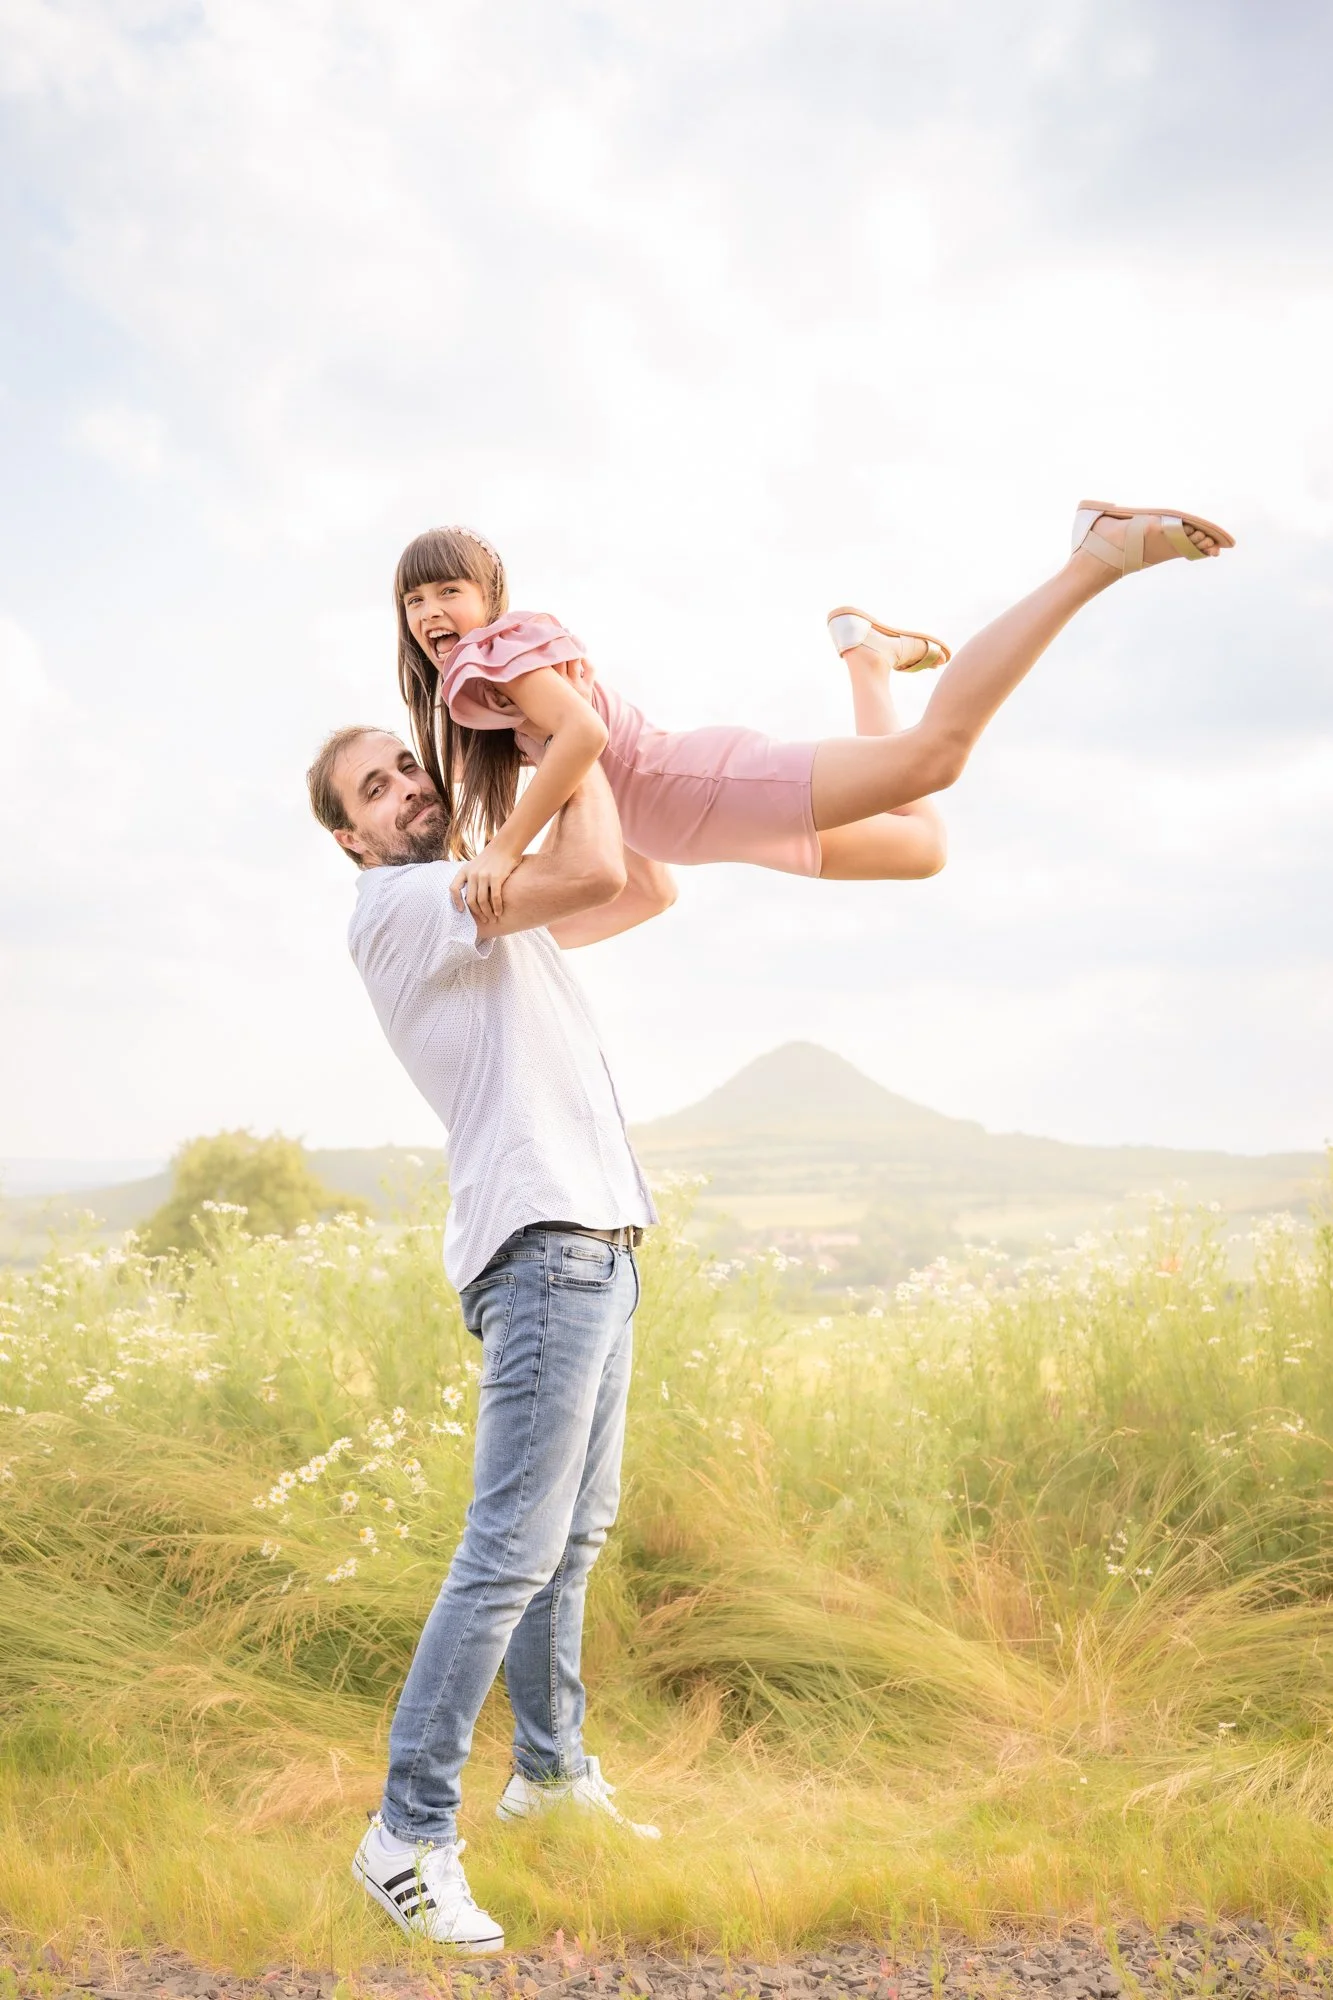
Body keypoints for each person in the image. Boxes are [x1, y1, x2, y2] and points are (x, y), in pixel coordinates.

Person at [306, 728, 667, 1953]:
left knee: (569, 1537)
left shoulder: (483, 898)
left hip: (601, 1241)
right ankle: (405, 1834)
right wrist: (568, 723)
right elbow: (607, 868)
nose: (410, 788)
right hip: (545, 1241)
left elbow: (648, 882)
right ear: (349, 837)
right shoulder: (410, 901)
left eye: (413, 766)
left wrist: (558, 756)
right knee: (508, 1551)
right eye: (376, 788)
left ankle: (553, 1775)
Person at [392, 503, 1234, 921]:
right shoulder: (474, 705)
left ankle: (1093, 557)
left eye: (450, 591)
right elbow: (643, 886)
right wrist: (506, 948)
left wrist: (504, 852)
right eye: (416, 598)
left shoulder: (490, 653)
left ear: (490, 600)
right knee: (921, 847)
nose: (433, 611)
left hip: (698, 787)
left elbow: (587, 736)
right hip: (684, 824)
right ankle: (867, 658)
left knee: (934, 758)